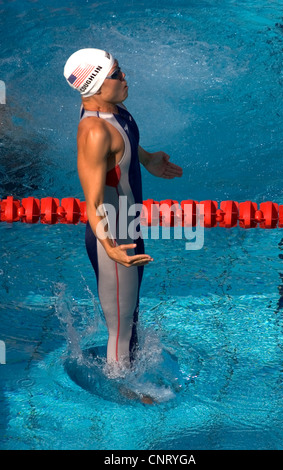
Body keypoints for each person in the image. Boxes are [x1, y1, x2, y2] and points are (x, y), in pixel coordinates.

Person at [64, 48, 183, 370]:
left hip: (128, 227)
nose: (125, 77)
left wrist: (146, 160)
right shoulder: (94, 133)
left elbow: (122, 146)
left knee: (130, 314)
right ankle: (122, 389)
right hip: (115, 239)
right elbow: (93, 201)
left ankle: (130, 369)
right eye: (117, 74)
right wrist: (110, 246)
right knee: (121, 326)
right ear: (98, 86)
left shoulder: (115, 109)